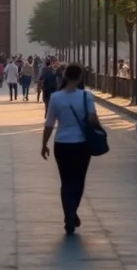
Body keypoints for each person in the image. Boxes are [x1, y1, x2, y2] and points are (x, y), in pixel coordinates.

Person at [41, 61, 99, 234]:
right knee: (79, 180)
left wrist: (44, 144)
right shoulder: (86, 96)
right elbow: (92, 120)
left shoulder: (56, 97)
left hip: (62, 144)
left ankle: (69, 214)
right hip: (82, 145)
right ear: (81, 77)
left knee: (66, 181)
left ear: (64, 76)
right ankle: (72, 212)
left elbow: (49, 123)